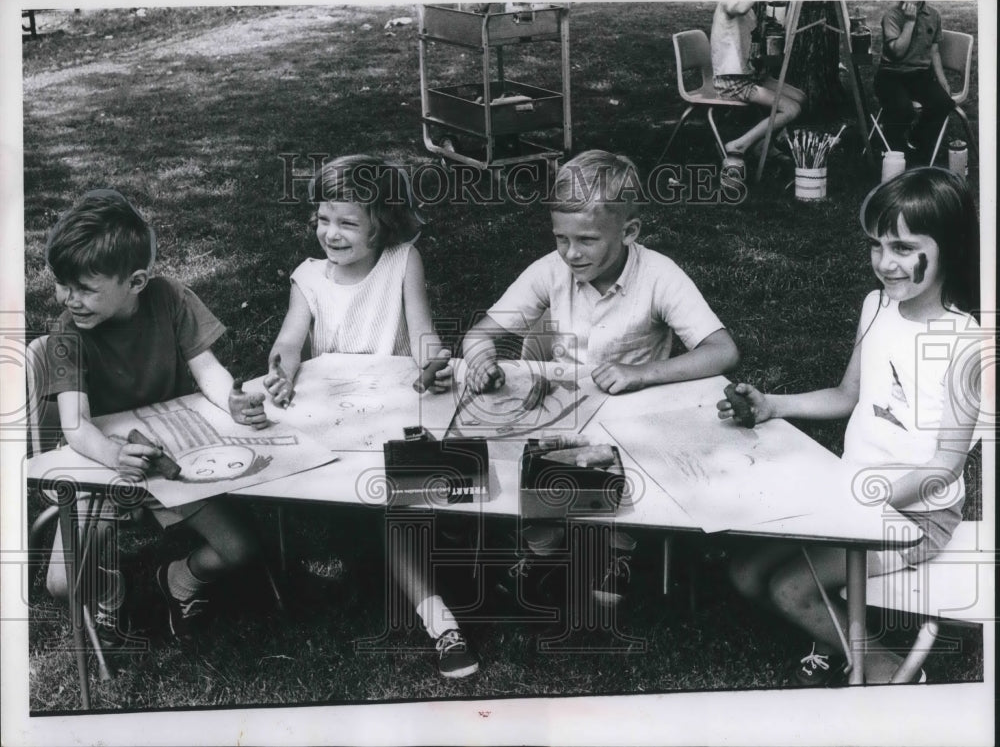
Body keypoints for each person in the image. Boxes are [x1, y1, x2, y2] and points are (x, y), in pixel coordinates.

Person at [720, 167, 982, 685]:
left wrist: (862, 500)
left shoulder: (968, 345)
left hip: (918, 516)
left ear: (949, 247)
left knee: (789, 588)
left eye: (904, 248)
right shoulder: (878, 304)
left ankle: (886, 674)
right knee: (744, 573)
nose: (885, 263)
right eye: (877, 246)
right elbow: (847, 396)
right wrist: (772, 404)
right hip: (850, 496)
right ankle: (837, 634)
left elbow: (944, 467)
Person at [463, 149, 739, 606]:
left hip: (630, 420)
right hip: (561, 417)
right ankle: (543, 545)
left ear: (629, 232)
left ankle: (620, 549)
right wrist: (481, 362)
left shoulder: (659, 275)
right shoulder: (550, 271)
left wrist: (643, 373)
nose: (571, 253)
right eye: (560, 238)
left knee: (622, 477)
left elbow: (722, 351)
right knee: (525, 452)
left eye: (586, 240)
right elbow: (481, 334)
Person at [262, 155, 477, 679]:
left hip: (396, 411)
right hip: (332, 419)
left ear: (382, 222)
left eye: (347, 222)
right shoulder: (309, 277)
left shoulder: (403, 260)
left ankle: (439, 619)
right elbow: (290, 342)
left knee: (397, 503)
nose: (331, 234)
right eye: (322, 219)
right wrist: (281, 369)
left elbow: (423, 330)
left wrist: (433, 361)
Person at [42, 189, 268, 643]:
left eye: (85, 288)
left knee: (240, 550)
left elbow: (209, 372)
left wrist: (233, 403)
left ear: (137, 282)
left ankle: (179, 579)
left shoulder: (169, 297)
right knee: (63, 584)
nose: (69, 299)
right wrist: (114, 455)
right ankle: (110, 593)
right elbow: (76, 426)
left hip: (172, 454)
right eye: (62, 284)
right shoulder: (67, 334)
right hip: (101, 461)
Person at [710, 1, 805, 165]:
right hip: (732, 80)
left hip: (750, 74)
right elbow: (737, 7)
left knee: (799, 97)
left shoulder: (749, 9)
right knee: (791, 109)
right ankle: (740, 144)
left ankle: (763, 145)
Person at [873, 1, 954, 160]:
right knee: (903, 110)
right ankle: (893, 148)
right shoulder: (892, 15)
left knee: (944, 103)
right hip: (891, 74)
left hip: (919, 75)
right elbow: (898, 52)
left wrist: (943, 80)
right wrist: (910, 21)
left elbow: (934, 51)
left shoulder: (933, 15)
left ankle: (917, 141)